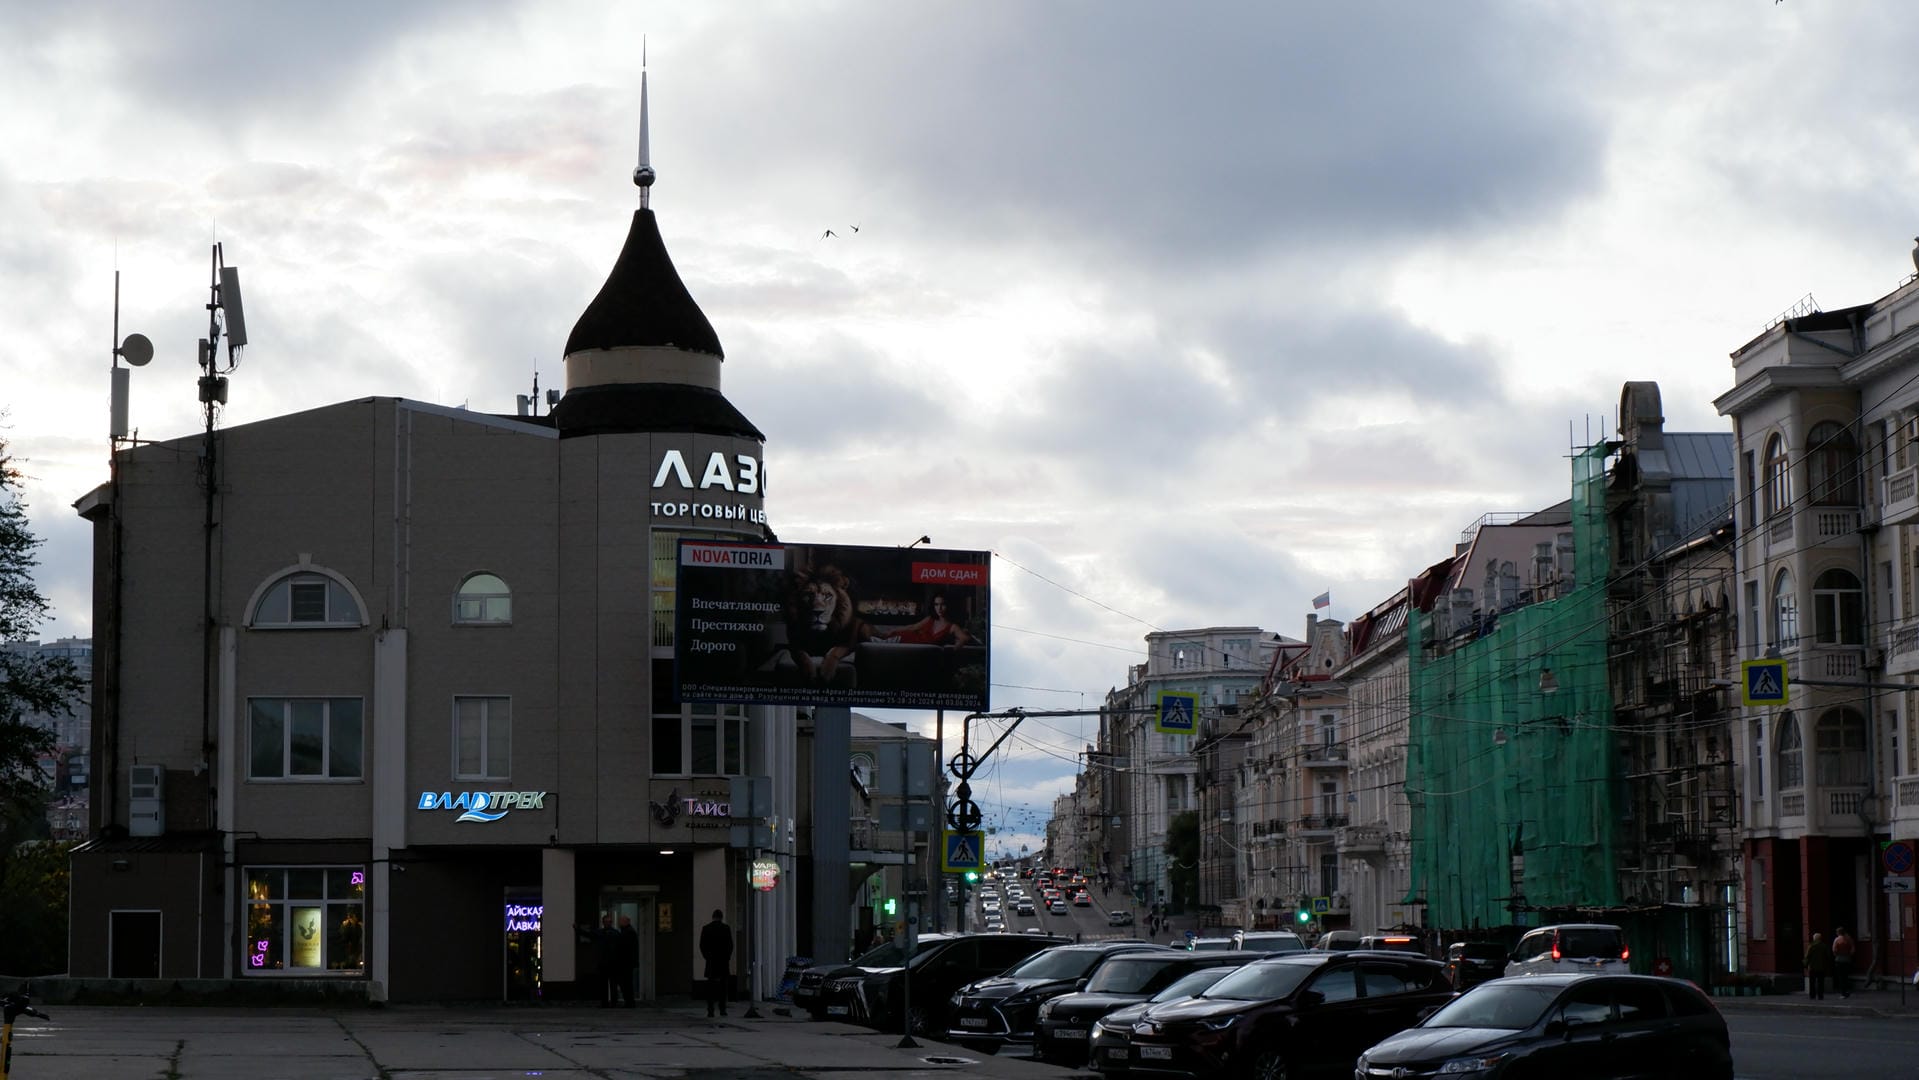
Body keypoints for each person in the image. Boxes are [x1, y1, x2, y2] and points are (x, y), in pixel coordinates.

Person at [576, 913, 628, 1007]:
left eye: (608, 922)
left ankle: (606, 1003)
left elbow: (588, 934)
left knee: (606, 984)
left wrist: (578, 930)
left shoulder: (601, 933)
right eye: (607, 922)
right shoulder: (615, 933)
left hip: (606, 962)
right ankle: (612, 1003)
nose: (607, 923)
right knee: (611, 984)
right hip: (611, 963)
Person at [887, 592, 973, 646]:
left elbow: (965, 638)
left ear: (948, 605)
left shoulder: (952, 626)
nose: (939, 608)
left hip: (910, 647)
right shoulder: (930, 619)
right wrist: (894, 630)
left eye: (942, 604)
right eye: (936, 604)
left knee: (878, 638)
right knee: (879, 638)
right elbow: (912, 627)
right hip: (902, 640)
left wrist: (956, 647)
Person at [700, 908, 735, 1018]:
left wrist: (707, 957)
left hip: (711, 961)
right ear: (721, 917)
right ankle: (722, 1009)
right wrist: (727, 957)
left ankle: (710, 1010)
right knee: (723, 987)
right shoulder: (726, 929)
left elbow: (702, 945)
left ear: (713, 916)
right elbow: (730, 945)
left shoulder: (706, 929)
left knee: (710, 987)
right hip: (723, 961)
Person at [617, 914, 641, 1007]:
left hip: (626, 963)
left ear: (627, 921)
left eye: (621, 921)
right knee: (626, 983)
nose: (620, 923)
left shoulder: (629, 932)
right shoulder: (628, 931)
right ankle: (629, 1001)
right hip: (627, 963)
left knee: (626, 983)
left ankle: (629, 1002)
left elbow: (629, 949)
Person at [1804, 932, 1832, 1000]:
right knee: (1821, 982)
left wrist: (1805, 965)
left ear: (1814, 939)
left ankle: (1812, 995)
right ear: (1820, 938)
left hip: (1812, 967)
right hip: (1821, 967)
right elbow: (1828, 956)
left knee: (1812, 982)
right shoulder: (1824, 946)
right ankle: (1820, 995)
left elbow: (1807, 957)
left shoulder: (1811, 946)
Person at [1832, 926, 1856, 998]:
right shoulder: (1849, 939)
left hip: (1839, 959)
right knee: (1846, 976)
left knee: (1841, 977)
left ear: (1838, 932)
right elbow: (1853, 950)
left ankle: (1843, 993)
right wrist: (1849, 955)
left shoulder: (1837, 940)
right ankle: (1847, 990)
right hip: (1847, 959)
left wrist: (1836, 955)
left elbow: (1834, 950)